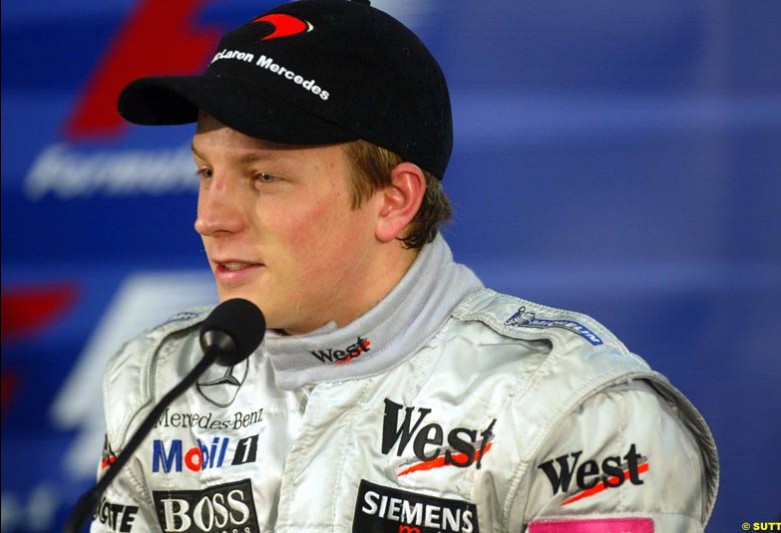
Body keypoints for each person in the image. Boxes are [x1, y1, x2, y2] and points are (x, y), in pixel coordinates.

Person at [92, 0, 719, 531]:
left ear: (395, 202)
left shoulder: (583, 416)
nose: (210, 217)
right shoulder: (156, 379)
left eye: (263, 177)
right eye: (206, 171)